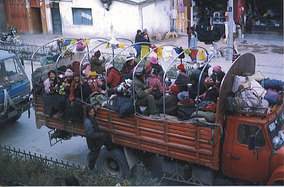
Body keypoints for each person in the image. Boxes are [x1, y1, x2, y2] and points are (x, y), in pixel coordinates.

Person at [84, 105, 112, 170]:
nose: (93, 113)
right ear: (88, 113)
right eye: (91, 112)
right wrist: (100, 134)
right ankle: (90, 168)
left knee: (105, 138)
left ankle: (110, 148)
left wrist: (96, 108)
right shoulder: (88, 122)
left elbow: (94, 113)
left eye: (93, 112)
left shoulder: (91, 117)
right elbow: (91, 134)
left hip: (96, 139)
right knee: (94, 155)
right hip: (93, 142)